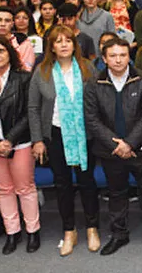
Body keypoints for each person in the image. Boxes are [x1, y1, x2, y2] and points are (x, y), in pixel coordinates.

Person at [83, 36, 142, 255]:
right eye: (112, 56)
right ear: (104, 58)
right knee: (116, 193)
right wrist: (116, 144)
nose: (118, 60)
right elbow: (92, 119)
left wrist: (130, 143)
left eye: (123, 55)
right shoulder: (94, 84)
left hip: (141, 148)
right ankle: (119, 235)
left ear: (129, 57)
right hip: (110, 150)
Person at [28, 25, 100, 256]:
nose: (64, 45)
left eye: (68, 40)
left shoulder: (87, 68)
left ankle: (92, 227)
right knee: (62, 184)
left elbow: (99, 102)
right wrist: (37, 140)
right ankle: (69, 230)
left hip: (85, 134)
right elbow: (33, 108)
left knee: (87, 181)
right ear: (51, 46)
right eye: (58, 41)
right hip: (55, 134)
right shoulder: (42, 72)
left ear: (74, 44)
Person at [0, 34, 39, 254]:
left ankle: (33, 231)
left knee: (25, 188)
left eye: (1, 51)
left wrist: (10, 140)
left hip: (19, 143)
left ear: (9, 52)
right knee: (4, 190)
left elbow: (29, 113)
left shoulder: (24, 78)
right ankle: (12, 232)